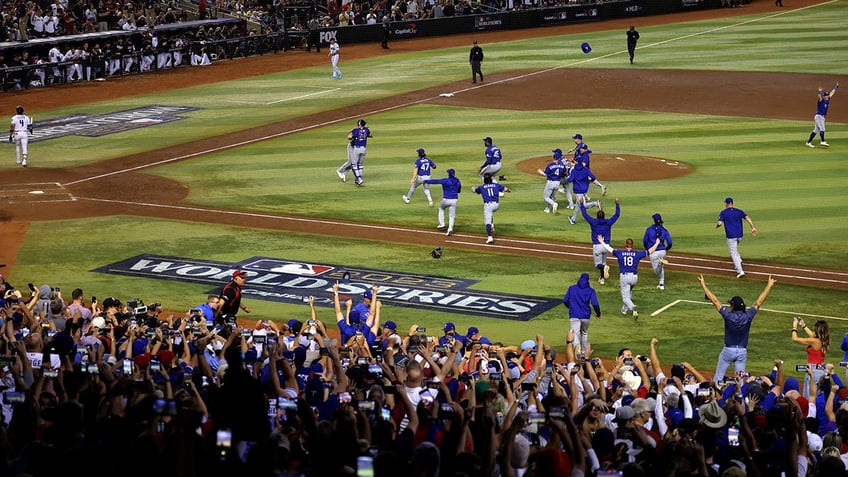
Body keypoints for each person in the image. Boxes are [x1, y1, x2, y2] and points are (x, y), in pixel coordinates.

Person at [698, 274, 777, 381]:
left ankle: (716, 394)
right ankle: (741, 396)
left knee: (718, 377)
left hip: (728, 351)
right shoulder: (748, 316)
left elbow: (714, 300)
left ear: (733, 306)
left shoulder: (728, 315)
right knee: (740, 380)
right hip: (742, 352)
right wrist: (769, 285)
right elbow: (759, 302)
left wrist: (703, 285)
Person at [597, 235, 660, 319]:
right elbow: (650, 251)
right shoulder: (637, 254)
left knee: (625, 298)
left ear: (625, 244)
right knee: (628, 291)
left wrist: (601, 241)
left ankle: (633, 307)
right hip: (634, 278)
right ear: (632, 245)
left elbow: (609, 248)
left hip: (625, 277)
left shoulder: (620, 253)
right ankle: (624, 310)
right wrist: (657, 243)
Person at [580, 196, 620, 285]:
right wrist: (617, 204)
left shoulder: (593, 222)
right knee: (603, 262)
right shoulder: (608, 222)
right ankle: (602, 279)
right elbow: (617, 215)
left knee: (598, 264)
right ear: (604, 216)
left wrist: (582, 204)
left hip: (597, 246)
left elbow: (584, 214)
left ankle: (604, 268)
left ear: (597, 216)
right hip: (606, 246)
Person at [715, 197, 757, 278]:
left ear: (727, 204)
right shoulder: (738, 211)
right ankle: (739, 260)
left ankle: (740, 271)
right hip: (740, 236)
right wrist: (753, 227)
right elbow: (747, 217)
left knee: (733, 253)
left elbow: (720, 223)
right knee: (734, 249)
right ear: (732, 203)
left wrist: (717, 225)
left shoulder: (723, 212)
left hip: (731, 236)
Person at [562, 272, 601, 357]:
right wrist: (598, 313)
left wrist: (570, 307)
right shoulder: (591, 290)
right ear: (588, 280)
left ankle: (577, 349)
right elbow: (595, 304)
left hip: (574, 314)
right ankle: (583, 352)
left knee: (575, 334)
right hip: (586, 316)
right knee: (584, 333)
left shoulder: (572, 288)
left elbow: (565, 300)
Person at [792, 316, 830, 397]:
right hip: (821, 369)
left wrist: (794, 326)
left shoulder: (814, 341)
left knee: (809, 397)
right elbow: (812, 335)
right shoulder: (825, 340)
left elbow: (794, 338)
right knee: (818, 396)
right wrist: (803, 325)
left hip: (812, 371)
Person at [472, 172, 510, 244]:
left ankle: (490, 237)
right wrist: (509, 190)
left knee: (487, 222)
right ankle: (492, 225)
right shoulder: (496, 185)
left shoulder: (482, 187)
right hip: (496, 205)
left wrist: (473, 188)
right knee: (490, 213)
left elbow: (474, 191)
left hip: (488, 206)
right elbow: (505, 189)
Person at [424, 168, 462, 236]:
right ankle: (450, 229)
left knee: (441, 208)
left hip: (446, 200)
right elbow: (459, 191)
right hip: (454, 200)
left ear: (449, 174)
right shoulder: (457, 181)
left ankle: (442, 224)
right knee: (452, 216)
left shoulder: (446, 180)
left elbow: (436, 181)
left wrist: (425, 181)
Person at [336, 119, 372, 186]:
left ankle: (349, 175)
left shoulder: (359, 130)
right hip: (352, 147)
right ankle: (340, 171)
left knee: (354, 163)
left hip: (356, 147)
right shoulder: (357, 130)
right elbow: (349, 137)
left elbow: (369, 135)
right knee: (352, 162)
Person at [642, 213, 673, 290]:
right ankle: (661, 284)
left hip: (653, 252)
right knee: (661, 268)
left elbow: (645, 241)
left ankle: (659, 263)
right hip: (662, 251)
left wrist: (648, 250)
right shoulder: (664, 230)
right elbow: (670, 242)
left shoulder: (649, 230)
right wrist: (666, 249)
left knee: (656, 271)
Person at [566, 161, 601, 225]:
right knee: (578, 205)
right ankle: (573, 219)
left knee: (583, 205)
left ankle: (595, 203)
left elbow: (570, 180)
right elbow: (593, 177)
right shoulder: (586, 169)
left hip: (578, 191)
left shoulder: (574, 170)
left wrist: (568, 177)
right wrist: (589, 181)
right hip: (585, 189)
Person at [806, 82, 838, 148]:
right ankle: (822, 141)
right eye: (826, 96)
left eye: (827, 95)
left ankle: (808, 142)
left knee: (815, 130)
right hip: (819, 116)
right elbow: (819, 96)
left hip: (822, 117)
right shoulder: (821, 100)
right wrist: (819, 91)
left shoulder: (828, 99)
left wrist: (836, 87)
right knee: (822, 128)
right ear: (824, 96)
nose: (827, 96)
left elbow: (832, 93)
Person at [537, 148, 566, 215]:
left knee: (546, 197)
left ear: (553, 157)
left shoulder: (550, 164)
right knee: (552, 196)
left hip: (551, 182)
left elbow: (545, 173)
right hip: (558, 183)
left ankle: (554, 204)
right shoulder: (562, 165)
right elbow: (565, 173)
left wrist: (540, 172)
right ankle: (548, 209)